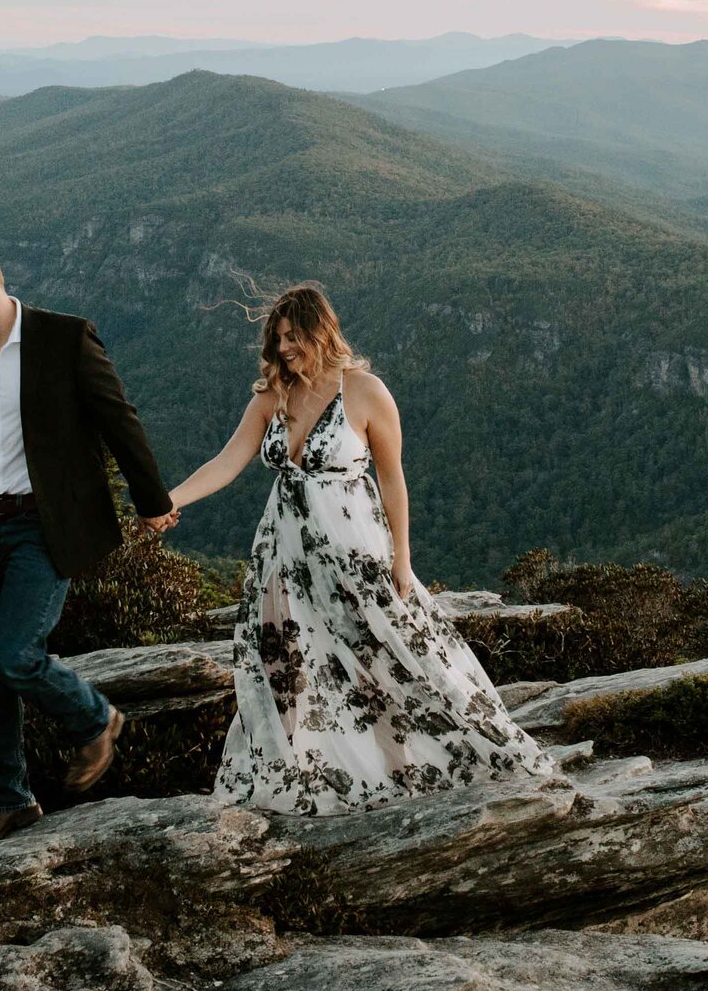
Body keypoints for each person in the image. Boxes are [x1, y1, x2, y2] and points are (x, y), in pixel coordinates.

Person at [157, 281, 561, 814]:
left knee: (390, 658)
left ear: (320, 332)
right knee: (288, 664)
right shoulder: (271, 395)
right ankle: (304, 774)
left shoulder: (367, 392)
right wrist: (169, 498)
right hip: (284, 557)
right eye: (276, 339)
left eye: (292, 337)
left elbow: (393, 480)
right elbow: (228, 461)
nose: (283, 350)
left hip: (355, 554)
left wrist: (402, 558)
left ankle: (418, 759)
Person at [0, 236, 176, 851]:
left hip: (42, 527)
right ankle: (7, 801)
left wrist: (153, 502)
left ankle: (96, 718)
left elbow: (117, 418)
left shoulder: (64, 339)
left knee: (15, 655)